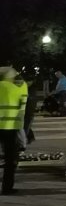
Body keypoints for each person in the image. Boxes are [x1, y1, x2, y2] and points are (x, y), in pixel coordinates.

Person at [0, 67, 27, 195]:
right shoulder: (18, 87)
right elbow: (23, 106)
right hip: (10, 127)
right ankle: (7, 188)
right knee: (9, 160)